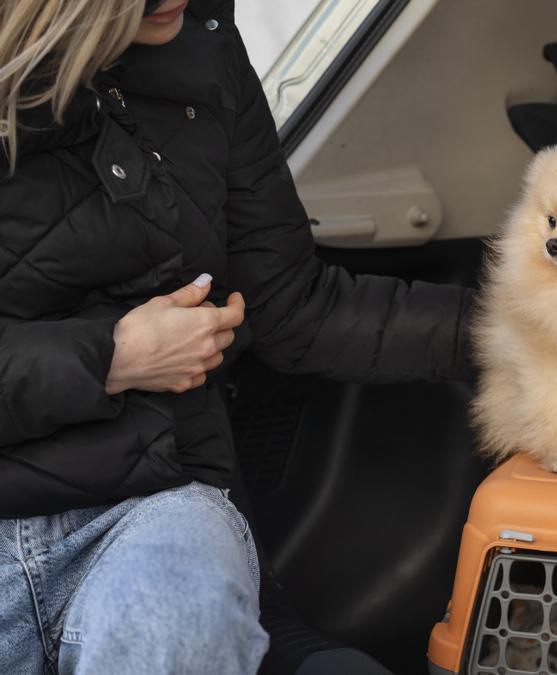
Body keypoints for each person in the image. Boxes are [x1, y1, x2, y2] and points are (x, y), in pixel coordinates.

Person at [0, 0, 474, 672]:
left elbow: (293, 307)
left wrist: (524, 330)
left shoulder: (205, 54)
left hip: (154, 505)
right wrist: (112, 358)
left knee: (179, 613)